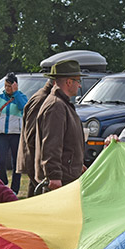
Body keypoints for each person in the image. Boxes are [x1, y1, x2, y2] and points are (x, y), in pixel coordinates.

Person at [34, 60, 86, 191]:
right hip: (61, 181)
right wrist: (54, 175)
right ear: (69, 82)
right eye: (78, 81)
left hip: (66, 176)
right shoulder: (56, 106)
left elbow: (68, 142)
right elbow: (51, 144)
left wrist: (77, 165)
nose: (79, 85)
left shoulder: (61, 104)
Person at [0, 72, 26, 194]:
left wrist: (16, 93)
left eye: (9, 86)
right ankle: (3, 184)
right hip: (2, 134)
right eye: (5, 86)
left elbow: (23, 108)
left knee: (16, 163)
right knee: (0, 160)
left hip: (16, 134)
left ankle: (15, 189)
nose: (7, 88)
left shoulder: (21, 96)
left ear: (15, 85)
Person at [17, 78, 54, 197]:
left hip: (36, 159)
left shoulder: (45, 97)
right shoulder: (41, 99)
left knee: (34, 195)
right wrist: (41, 158)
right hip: (34, 158)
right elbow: (31, 136)